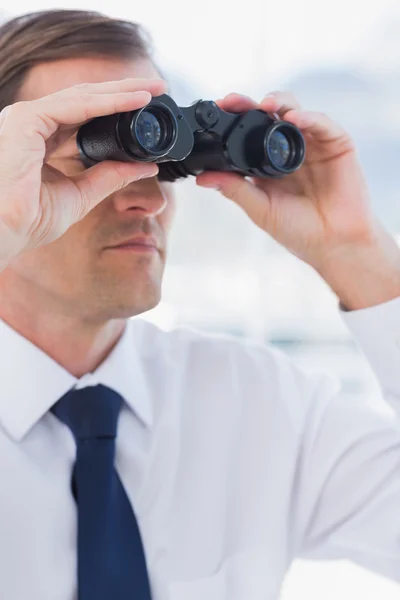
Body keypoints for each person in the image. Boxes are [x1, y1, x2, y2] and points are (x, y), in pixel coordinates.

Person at [0, 8, 399, 600]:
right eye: (94, 158)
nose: (147, 202)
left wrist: (360, 256)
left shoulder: (261, 404)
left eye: (162, 165)